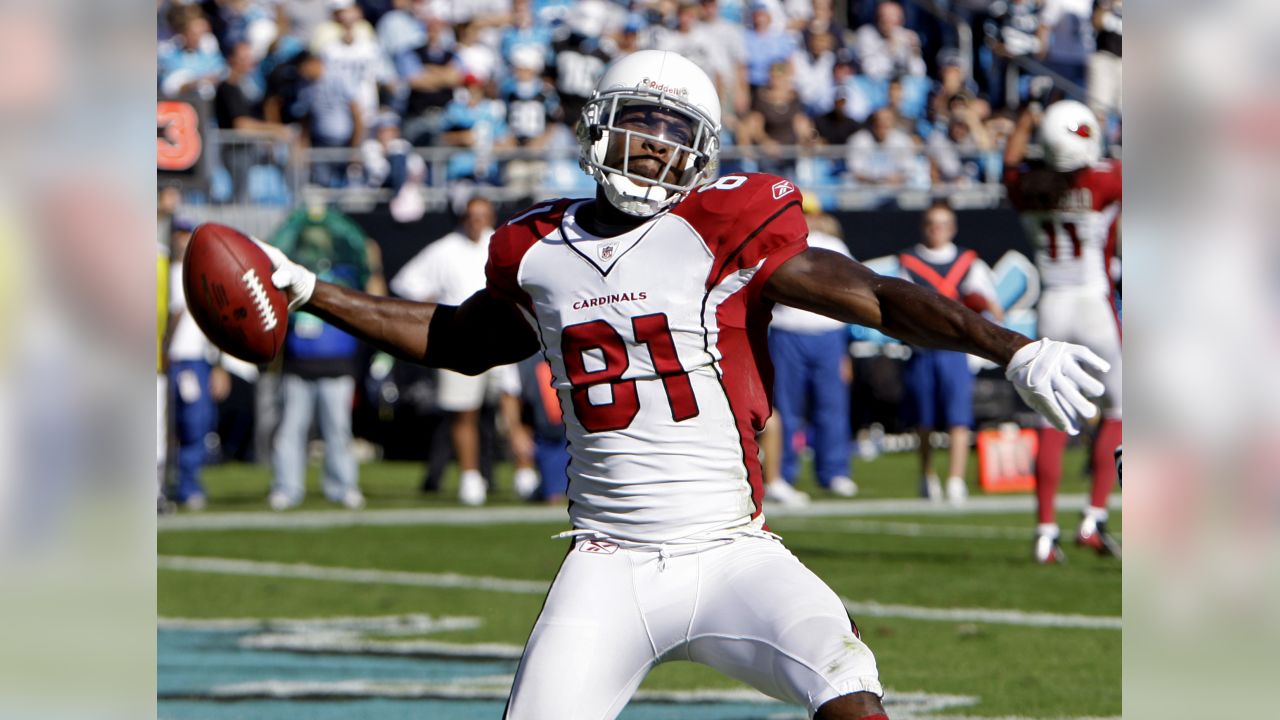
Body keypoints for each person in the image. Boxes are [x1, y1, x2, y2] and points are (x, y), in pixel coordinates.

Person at [254, 50, 1107, 720]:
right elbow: (457, 339)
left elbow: (877, 297)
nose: (657, 143)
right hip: (607, 564)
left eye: (675, 129)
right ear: (598, 129)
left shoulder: (724, 230)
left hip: (732, 551)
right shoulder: (536, 249)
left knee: (849, 684)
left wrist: (1013, 348)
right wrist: (311, 290)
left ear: (702, 149)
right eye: (640, 123)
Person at [1004, 99, 1122, 563]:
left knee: (1051, 422)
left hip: (1050, 307)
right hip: (1092, 305)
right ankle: (1093, 517)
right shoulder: (1104, 180)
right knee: (1118, 411)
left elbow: (1011, 161)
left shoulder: (1027, 186)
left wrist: (1027, 118)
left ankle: (1043, 532)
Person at [390, 197, 538, 505]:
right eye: (471, 216)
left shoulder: (500, 243)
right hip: (462, 340)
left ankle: (525, 473)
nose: (476, 221)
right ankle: (471, 479)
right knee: (463, 413)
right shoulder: (444, 249)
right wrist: (436, 308)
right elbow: (406, 283)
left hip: (503, 338)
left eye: (482, 215)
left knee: (511, 408)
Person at [267, 200, 386, 511]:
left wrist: (373, 262)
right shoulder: (293, 273)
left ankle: (343, 486)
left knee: (338, 430)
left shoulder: (347, 271)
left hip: (337, 366)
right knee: (291, 430)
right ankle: (286, 487)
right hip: (298, 365)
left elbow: (376, 294)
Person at [898, 204, 1004, 503]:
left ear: (952, 227)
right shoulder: (910, 261)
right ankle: (927, 474)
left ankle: (956, 478)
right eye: (932, 223)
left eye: (943, 224)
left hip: (954, 350)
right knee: (924, 419)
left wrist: (977, 305)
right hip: (923, 349)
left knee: (959, 417)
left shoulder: (967, 261)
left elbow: (994, 307)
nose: (937, 230)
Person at [767, 201, 858, 502]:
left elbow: (852, 292)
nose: (804, 218)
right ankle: (782, 474)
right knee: (785, 408)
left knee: (831, 406)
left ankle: (834, 471)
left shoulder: (833, 245)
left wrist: (845, 347)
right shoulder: (776, 241)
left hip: (827, 333)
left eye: (808, 212)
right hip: (787, 331)